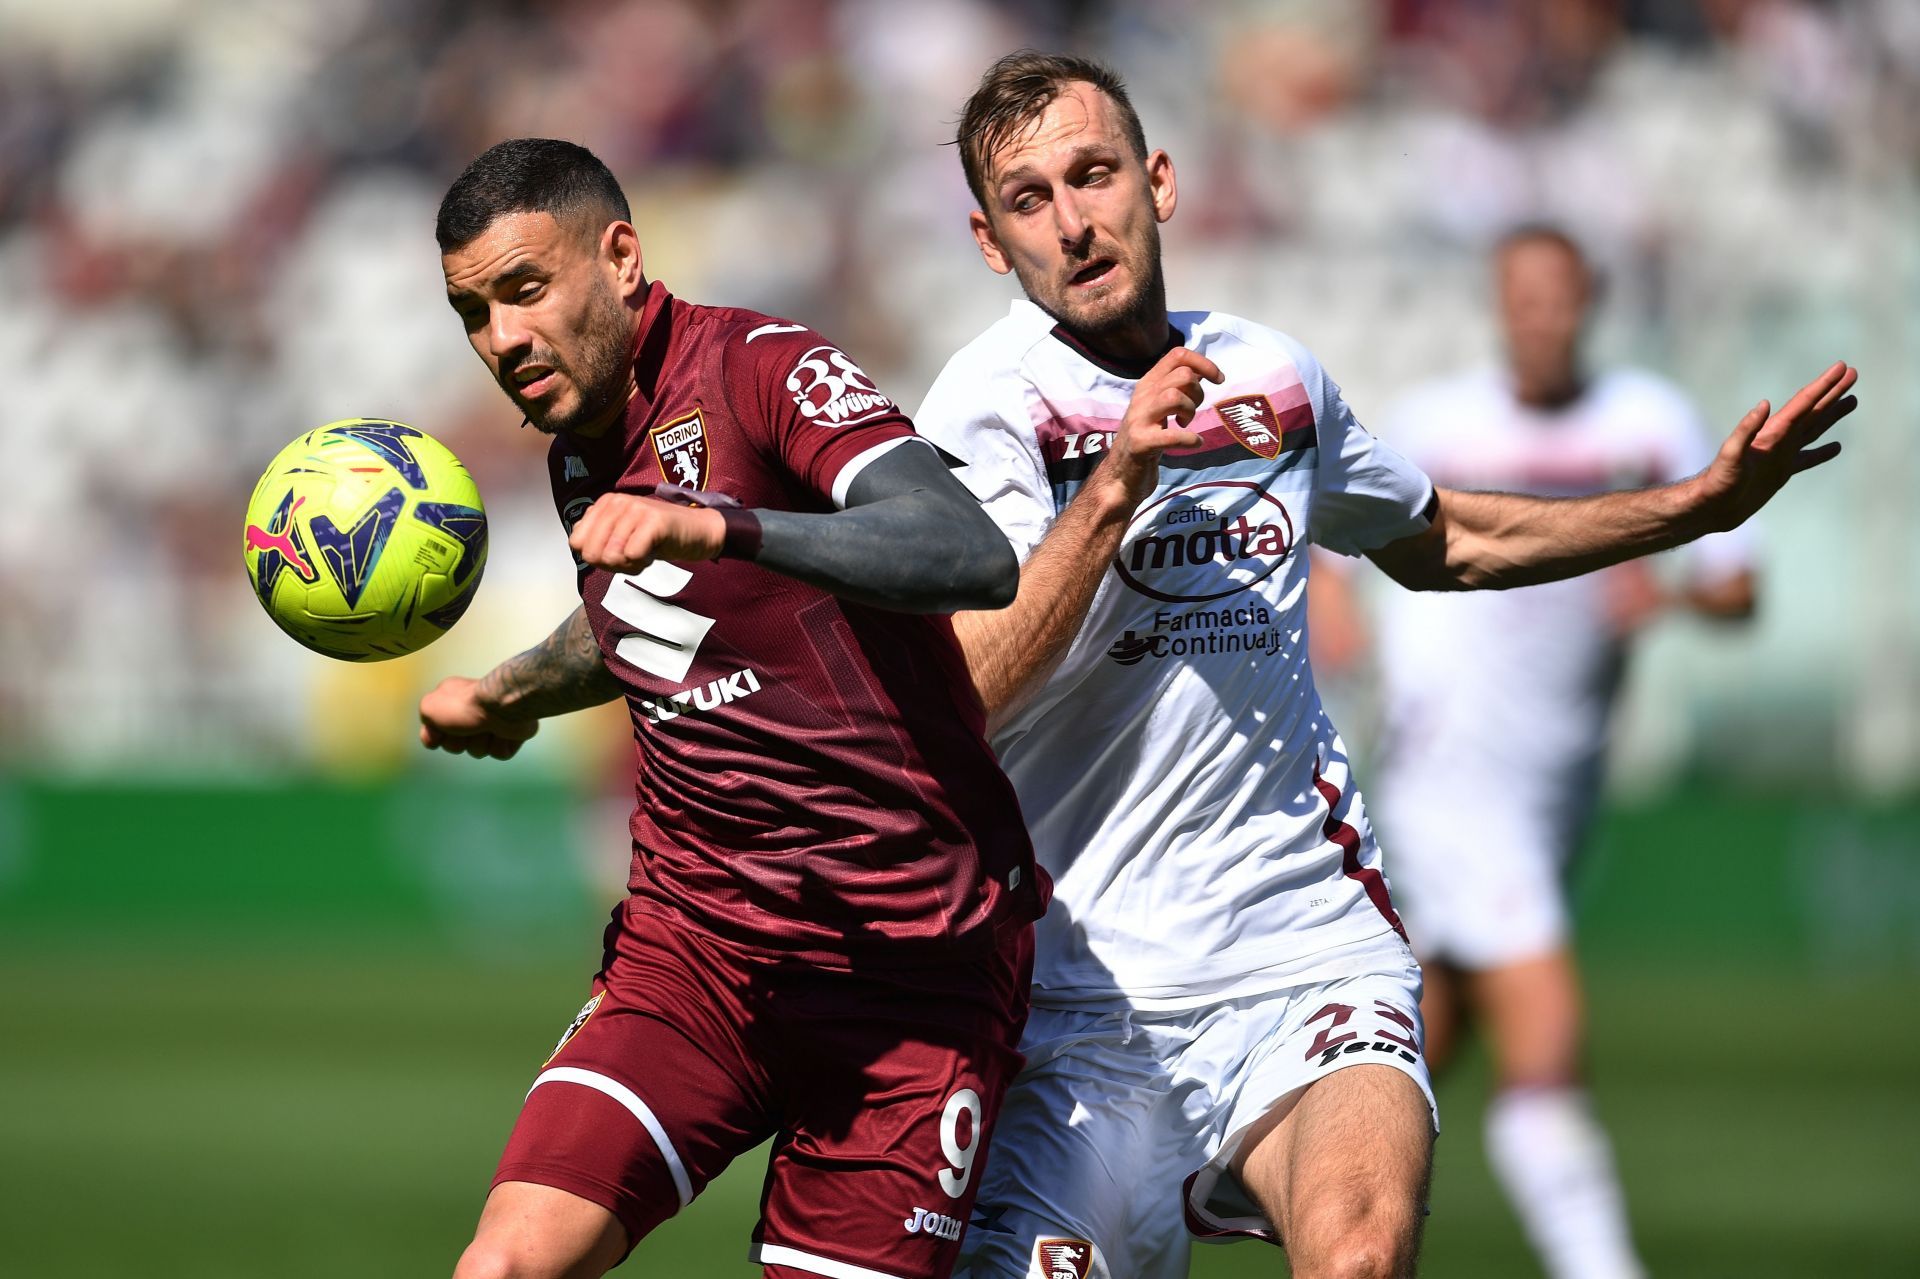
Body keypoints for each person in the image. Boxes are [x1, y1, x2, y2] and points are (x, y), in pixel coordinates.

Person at [911, 52, 1856, 1279]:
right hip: (1080, 1006)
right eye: (1031, 200)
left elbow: (1443, 537)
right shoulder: (985, 411)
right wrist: (1113, 488)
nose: (1075, 221)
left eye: (1093, 175)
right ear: (993, 244)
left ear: (1159, 181)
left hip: (1308, 949)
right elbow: (956, 690)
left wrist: (1692, 506)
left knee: (1358, 1252)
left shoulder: (1273, 376)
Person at [416, 137, 1048, 1279]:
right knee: (504, 1265)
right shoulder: (580, 448)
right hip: (696, 953)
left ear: (619, 257)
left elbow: (967, 550)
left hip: (912, 975)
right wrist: (510, 692)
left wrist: (721, 522)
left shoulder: (763, 366)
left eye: (523, 290)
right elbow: (647, 616)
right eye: (474, 312)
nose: (502, 340)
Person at [1312, 226, 1756, 1279]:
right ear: (1499, 305)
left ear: (1588, 300)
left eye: (1558, 298)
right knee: (1546, 1035)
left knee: (1415, 1046)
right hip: (1445, 766)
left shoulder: (1646, 421)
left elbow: (1740, 584)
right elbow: (1333, 539)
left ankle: (1274, 1192)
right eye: (1523, 298)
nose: (1541, 318)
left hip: (1556, 785)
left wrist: (1677, 594)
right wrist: (1335, 608)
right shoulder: (1437, 422)